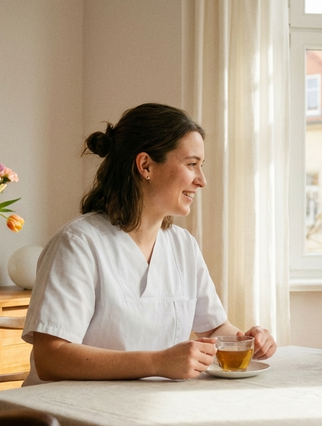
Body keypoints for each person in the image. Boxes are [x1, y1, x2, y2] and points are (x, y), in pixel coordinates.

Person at [21, 103, 275, 385]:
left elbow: (214, 329)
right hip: (62, 407)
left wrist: (246, 341)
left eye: (201, 166)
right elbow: (51, 358)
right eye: (192, 164)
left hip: (145, 403)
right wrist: (157, 363)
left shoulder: (183, 246)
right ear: (145, 166)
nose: (202, 181)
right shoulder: (78, 244)